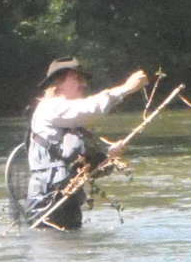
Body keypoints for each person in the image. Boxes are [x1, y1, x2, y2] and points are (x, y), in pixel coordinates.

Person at [26, 57, 148, 230]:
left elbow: (90, 169)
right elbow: (90, 108)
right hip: (46, 205)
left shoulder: (73, 122)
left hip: (67, 204)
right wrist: (126, 89)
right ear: (59, 83)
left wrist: (110, 156)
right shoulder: (50, 107)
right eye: (76, 78)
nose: (83, 84)